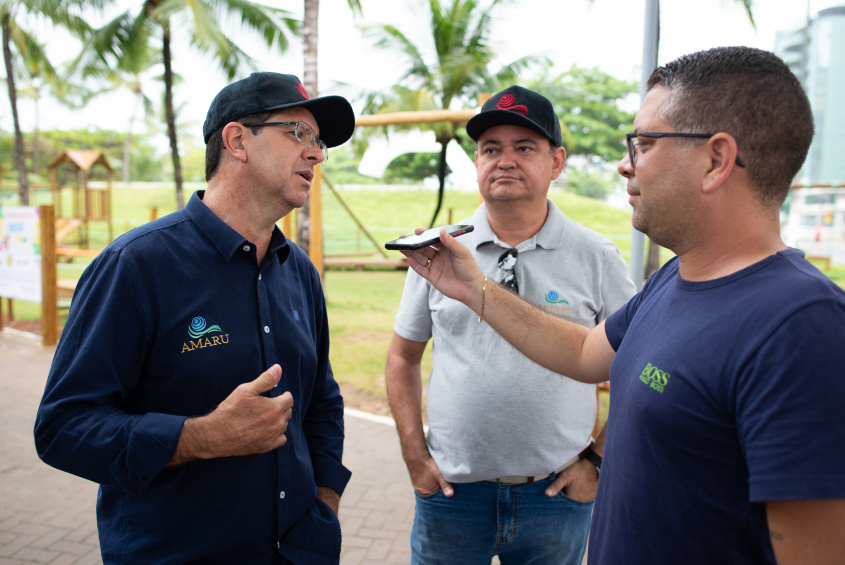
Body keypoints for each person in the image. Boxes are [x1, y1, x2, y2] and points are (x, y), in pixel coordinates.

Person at [400, 47, 845, 564]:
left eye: (644, 143)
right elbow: (586, 352)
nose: (623, 164)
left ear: (716, 160)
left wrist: (589, 461)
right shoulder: (674, 279)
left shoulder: (803, 326)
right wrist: (473, 287)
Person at [34, 72, 356, 564]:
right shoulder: (136, 265)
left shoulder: (301, 273)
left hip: (297, 551)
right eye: (298, 133)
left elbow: (323, 402)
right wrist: (198, 437)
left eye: (319, 142)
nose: (314, 153)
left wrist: (325, 502)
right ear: (236, 141)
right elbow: (63, 427)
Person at [386, 85, 636, 564]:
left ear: (557, 162)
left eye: (524, 147)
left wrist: (598, 464)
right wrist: (415, 456)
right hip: (452, 496)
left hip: (557, 497)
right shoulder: (435, 251)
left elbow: (638, 367)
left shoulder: (596, 256)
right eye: (491, 149)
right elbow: (402, 356)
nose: (505, 160)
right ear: (476, 161)